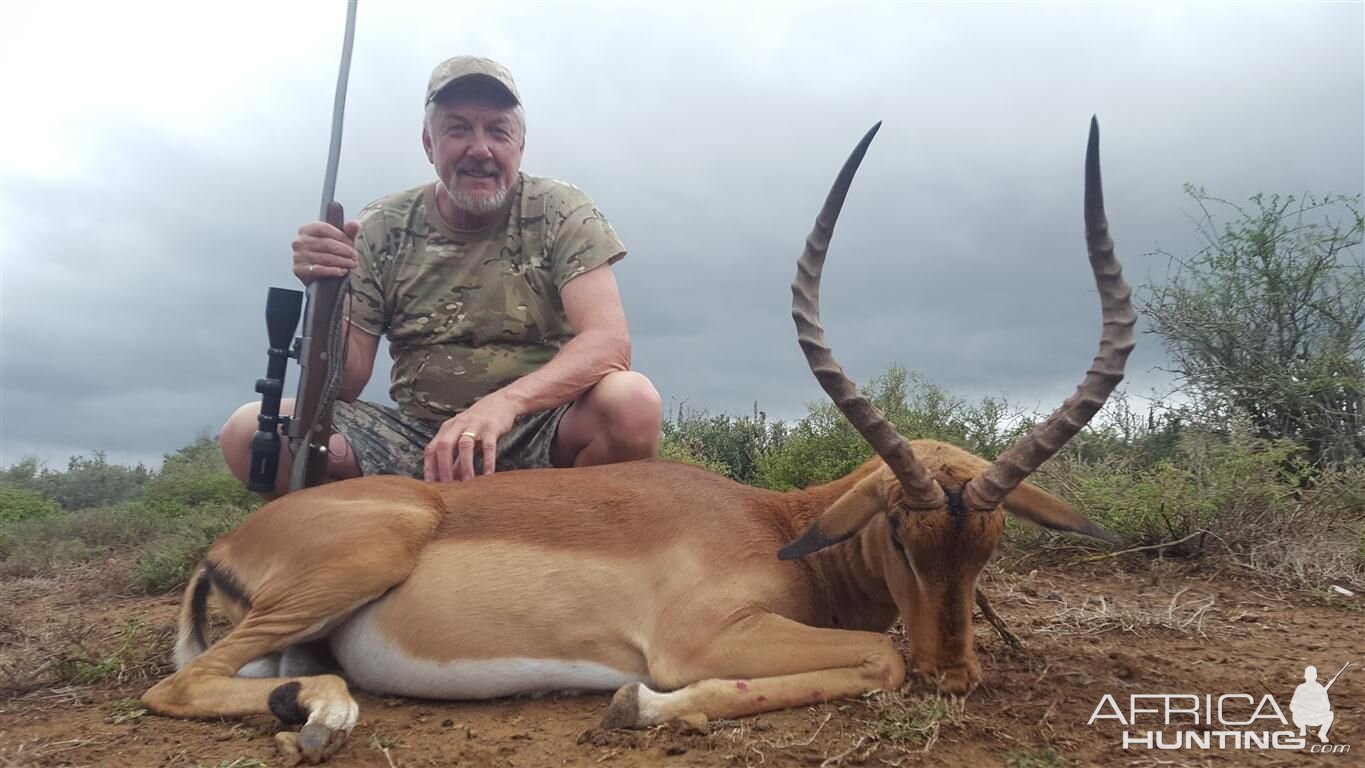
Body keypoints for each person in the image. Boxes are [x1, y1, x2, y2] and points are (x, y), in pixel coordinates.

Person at [221, 55, 662, 494]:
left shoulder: (561, 209)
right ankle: (367, 552)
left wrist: (503, 405)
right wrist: (328, 290)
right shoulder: (380, 225)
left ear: (519, 146)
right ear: (429, 144)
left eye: (497, 131)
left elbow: (608, 344)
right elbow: (348, 381)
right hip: (417, 439)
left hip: (538, 428)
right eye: (458, 129)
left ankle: (568, 543)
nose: (480, 149)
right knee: (248, 432)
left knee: (632, 403)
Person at [1290, 665, 1335, 743]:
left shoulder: (1320, 688)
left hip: (1315, 717)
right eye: (1308, 674)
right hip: (1302, 717)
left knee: (1330, 715)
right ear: (1305, 676)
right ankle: (1302, 728)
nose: (1310, 677)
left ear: (1316, 676)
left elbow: (1327, 706)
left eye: (1312, 675)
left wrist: (1318, 708)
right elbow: (1292, 706)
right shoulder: (1300, 688)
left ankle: (1322, 733)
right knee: (1296, 713)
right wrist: (1302, 707)